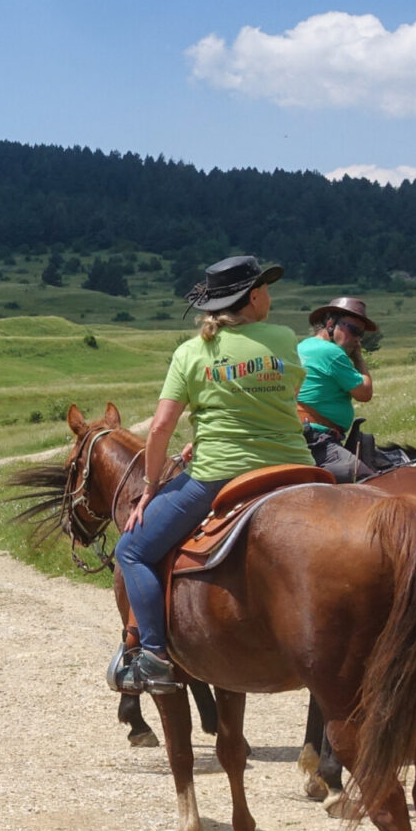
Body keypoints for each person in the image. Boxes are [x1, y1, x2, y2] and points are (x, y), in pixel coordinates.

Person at [113, 255, 315, 691]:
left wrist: (150, 488)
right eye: (266, 289)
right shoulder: (284, 338)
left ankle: (153, 656)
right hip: (297, 467)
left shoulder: (190, 352)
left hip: (220, 473)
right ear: (254, 297)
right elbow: (281, 398)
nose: (270, 297)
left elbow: (160, 428)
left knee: (131, 550)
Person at [297, 295, 384, 480]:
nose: (357, 339)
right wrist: (358, 358)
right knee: (371, 483)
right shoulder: (332, 352)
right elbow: (365, 393)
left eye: (361, 334)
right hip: (317, 440)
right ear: (330, 323)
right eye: (353, 330)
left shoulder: (304, 346)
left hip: (303, 433)